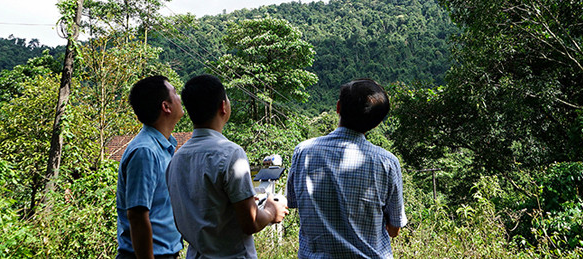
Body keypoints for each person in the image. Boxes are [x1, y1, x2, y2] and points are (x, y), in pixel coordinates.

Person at [167, 74, 288, 258]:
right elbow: (251, 223)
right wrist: (272, 211)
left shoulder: (176, 159)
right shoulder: (231, 153)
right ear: (223, 107)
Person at [287, 78, 407, 258]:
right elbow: (394, 230)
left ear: (338, 107)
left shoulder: (303, 151)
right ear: (377, 123)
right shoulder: (387, 162)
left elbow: (293, 202)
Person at [116, 75, 184, 259]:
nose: (179, 97)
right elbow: (137, 216)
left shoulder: (163, 147)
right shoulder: (145, 151)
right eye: (175, 93)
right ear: (166, 106)